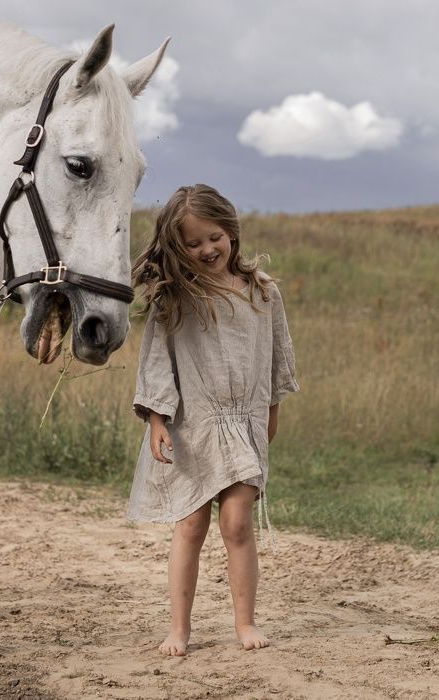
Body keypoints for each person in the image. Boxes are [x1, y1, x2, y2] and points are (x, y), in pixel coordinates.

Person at [127, 183, 299, 656]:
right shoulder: (175, 299)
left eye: (214, 237)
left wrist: (271, 411)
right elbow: (157, 362)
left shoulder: (263, 294)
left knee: (238, 524)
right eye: (193, 243)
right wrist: (157, 420)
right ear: (177, 248)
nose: (207, 250)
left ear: (232, 232)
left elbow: (276, 360)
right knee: (191, 527)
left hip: (245, 424)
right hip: (193, 426)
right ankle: (179, 629)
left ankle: (245, 622)